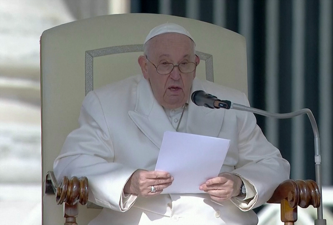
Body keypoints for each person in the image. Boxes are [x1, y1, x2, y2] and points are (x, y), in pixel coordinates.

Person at [53, 22, 290, 225]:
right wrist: (129, 182)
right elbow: (69, 164)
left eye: (184, 64)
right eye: (165, 64)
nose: (176, 75)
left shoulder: (228, 104)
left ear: (196, 64)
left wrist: (240, 185)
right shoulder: (107, 104)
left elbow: (272, 163)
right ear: (145, 67)